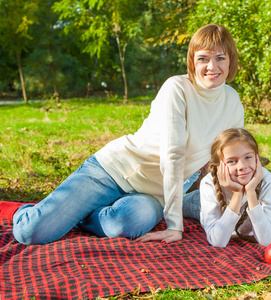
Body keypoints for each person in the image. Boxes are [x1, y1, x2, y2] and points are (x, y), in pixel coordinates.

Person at [2, 24, 244, 245]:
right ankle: (23, 211)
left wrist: (239, 208)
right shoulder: (177, 88)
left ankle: (82, 215)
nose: (212, 67)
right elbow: (173, 156)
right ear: (192, 62)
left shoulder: (232, 102)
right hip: (112, 171)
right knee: (31, 233)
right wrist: (174, 225)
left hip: (153, 194)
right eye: (204, 59)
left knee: (127, 223)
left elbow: (229, 160)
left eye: (220, 58)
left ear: (230, 61)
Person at [187, 128, 271, 248]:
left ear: (257, 158)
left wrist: (250, 193)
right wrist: (237, 194)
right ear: (219, 165)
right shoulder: (209, 184)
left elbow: (269, 241)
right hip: (197, 202)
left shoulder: (269, 182)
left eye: (248, 157)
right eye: (232, 161)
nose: (242, 166)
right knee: (174, 205)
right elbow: (217, 241)